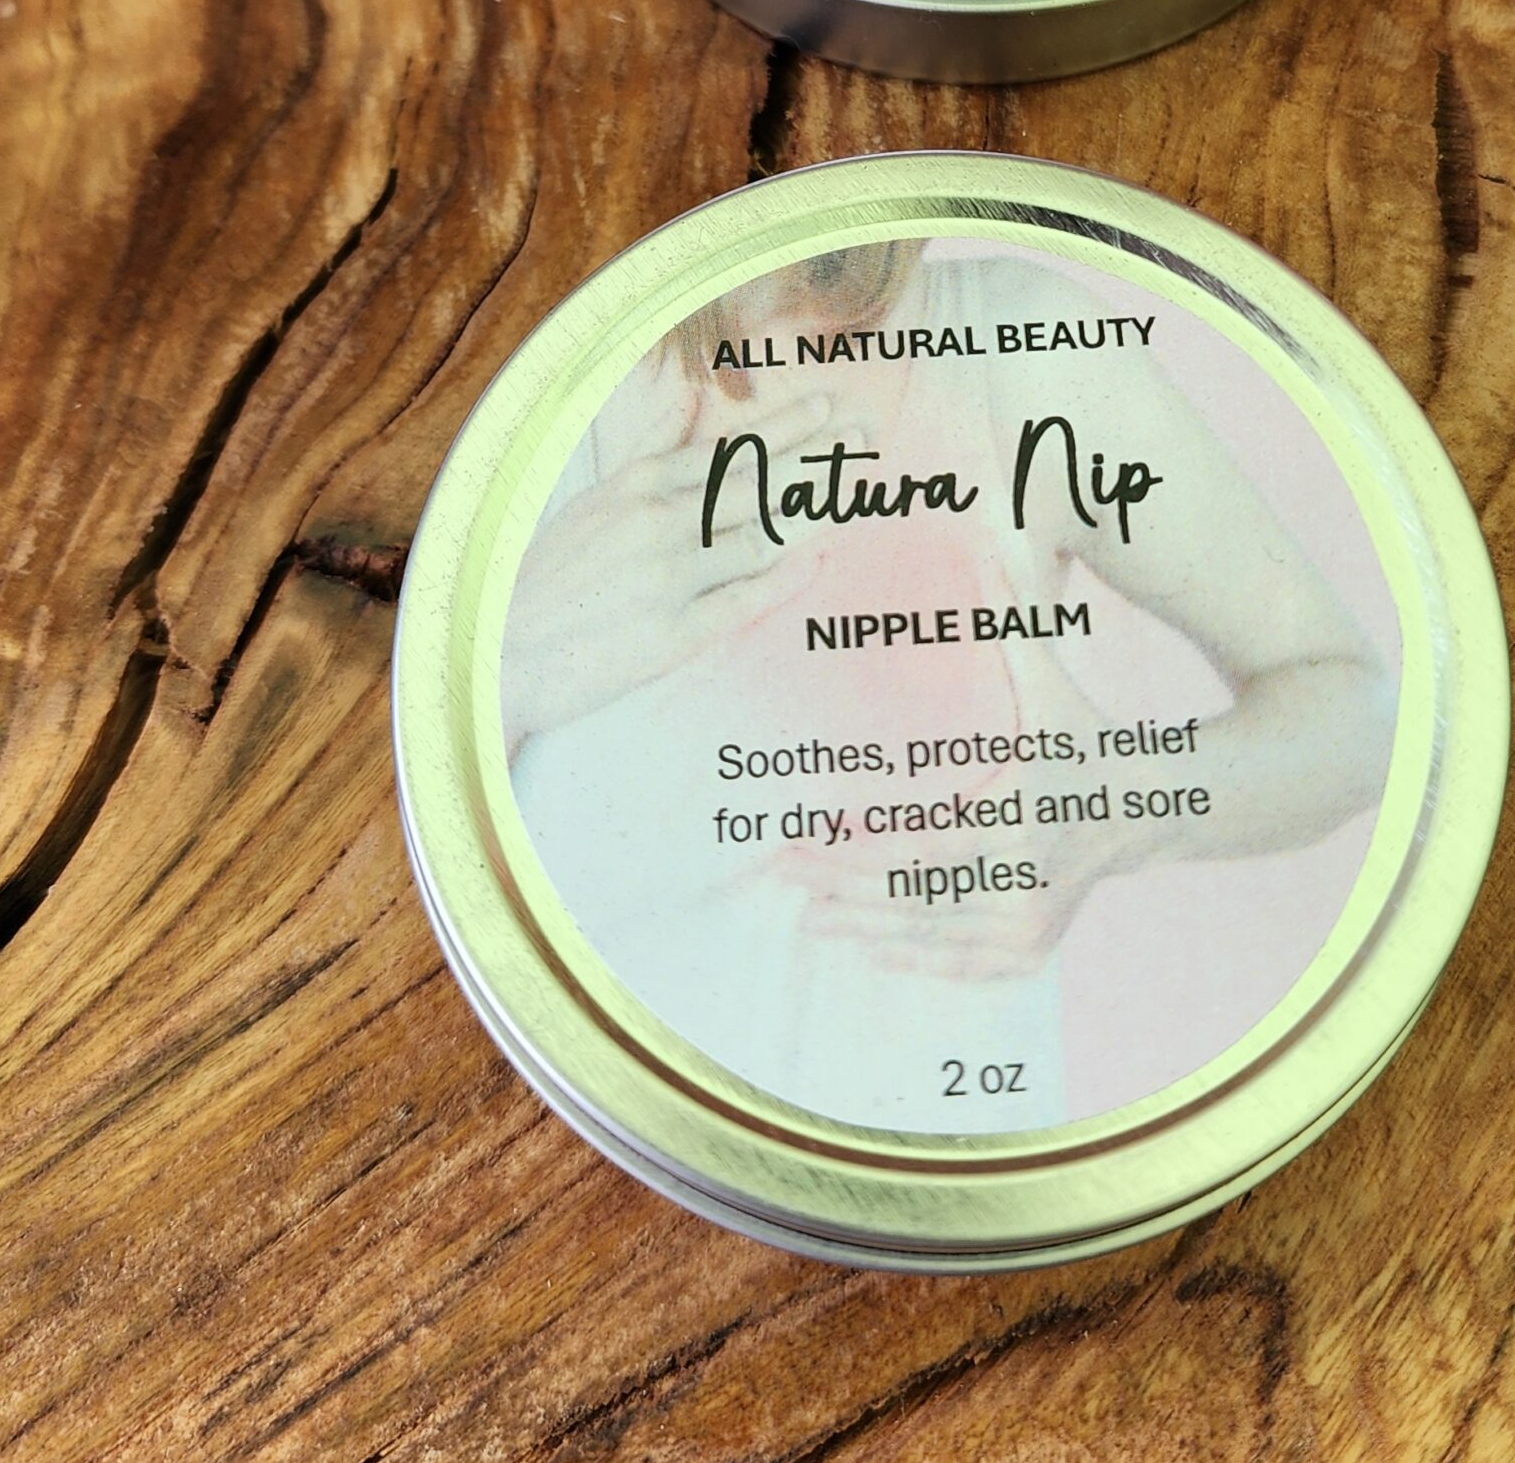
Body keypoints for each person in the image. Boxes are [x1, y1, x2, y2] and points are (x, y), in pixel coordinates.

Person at [504, 239, 1397, 1129]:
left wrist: (1125, 805)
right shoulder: (501, 369)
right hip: (572, 1171)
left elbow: (1362, 716)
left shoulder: (1021, 353)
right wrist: (506, 662)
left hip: (946, 1180)